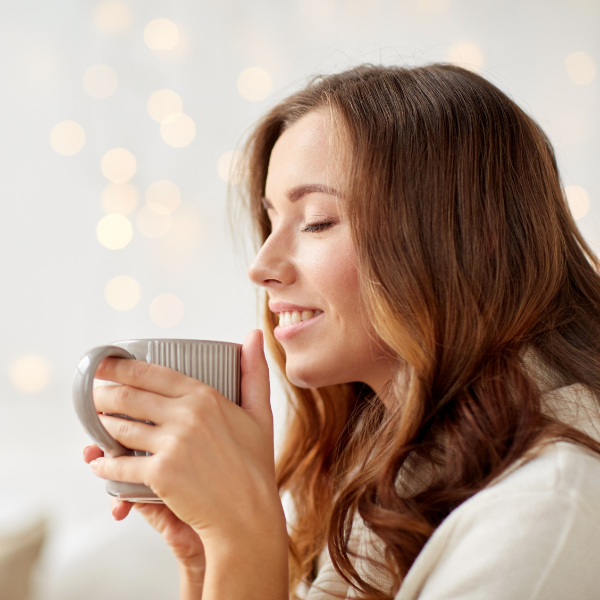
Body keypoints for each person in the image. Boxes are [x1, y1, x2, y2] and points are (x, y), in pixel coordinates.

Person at [83, 64, 600, 600]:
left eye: (318, 221)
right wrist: (211, 559)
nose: (261, 265)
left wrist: (244, 537)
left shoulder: (548, 508)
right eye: (270, 219)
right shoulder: (384, 481)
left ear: (476, 236)